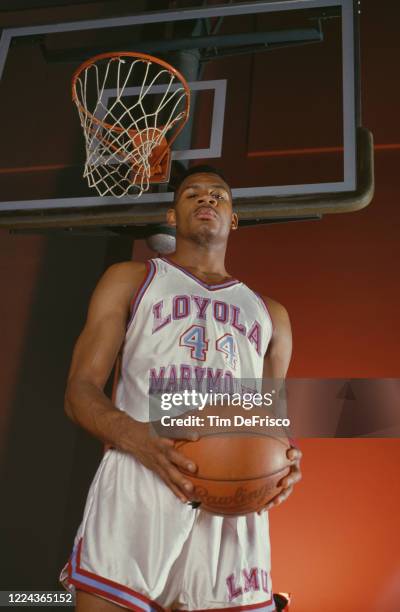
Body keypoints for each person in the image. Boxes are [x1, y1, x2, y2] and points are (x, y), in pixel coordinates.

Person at [59, 165, 302, 612]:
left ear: (233, 219)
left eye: (218, 195)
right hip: (139, 482)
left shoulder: (271, 314)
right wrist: (138, 437)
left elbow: (267, 418)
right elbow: (79, 390)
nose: (205, 199)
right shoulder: (131, 279)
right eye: (192, 195)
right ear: (172, 216)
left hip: (231, 504)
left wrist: (285, 461)